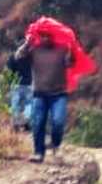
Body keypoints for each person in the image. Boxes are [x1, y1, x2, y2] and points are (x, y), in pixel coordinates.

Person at [14, 32, 72, 163]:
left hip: (59, 94)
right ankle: (38, 152)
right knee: (38, 123)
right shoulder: (34, 50)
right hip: (39, 94)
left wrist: (70, 53)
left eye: (49, 35)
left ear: (53, 36)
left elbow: (69, 64)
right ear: (39, 37)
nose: (46, 38)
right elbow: (18, 57)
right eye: (43, 35)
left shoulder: (62, 49)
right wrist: (27, 43)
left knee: (58, 122)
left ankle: (55, 143)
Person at [7, 42, 33, 131]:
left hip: (16, 84)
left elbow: (9, 71)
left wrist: (9, 83)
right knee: (28, 105)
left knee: (15, 106)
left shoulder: (13, 57)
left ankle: (16, 124)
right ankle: (25, 123)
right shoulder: (30, 58)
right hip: (28, 84)